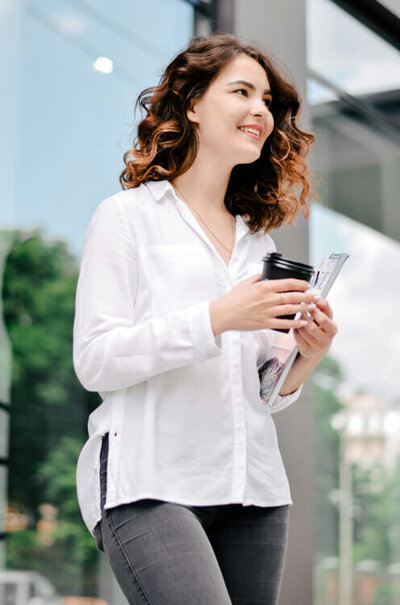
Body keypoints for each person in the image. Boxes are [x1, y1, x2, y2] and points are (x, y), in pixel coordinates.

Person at [73, 32, 338, 605]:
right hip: (149, 484)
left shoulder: (257, 242)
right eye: (241, 91)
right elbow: (95, 359)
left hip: (254, 493)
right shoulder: (128, 218)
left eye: (267, 100)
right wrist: (217, 317)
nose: (260, 111)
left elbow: (264, 391)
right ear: (192, 104)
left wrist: (304, 356)